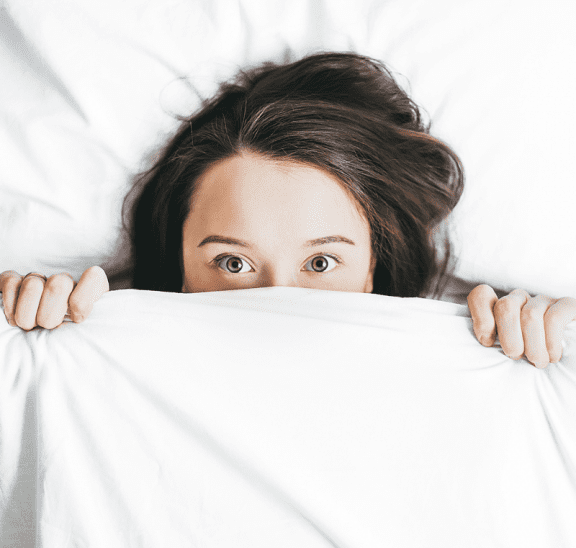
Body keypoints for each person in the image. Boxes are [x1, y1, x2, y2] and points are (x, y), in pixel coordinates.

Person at [1, 52, 574, 368]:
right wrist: (22, 324)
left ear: (377, 266)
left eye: (321, 264)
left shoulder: (471, 360)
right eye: (232, 263)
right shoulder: (99, 358)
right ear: (176, 266)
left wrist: (556, 339)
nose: (279, 302)